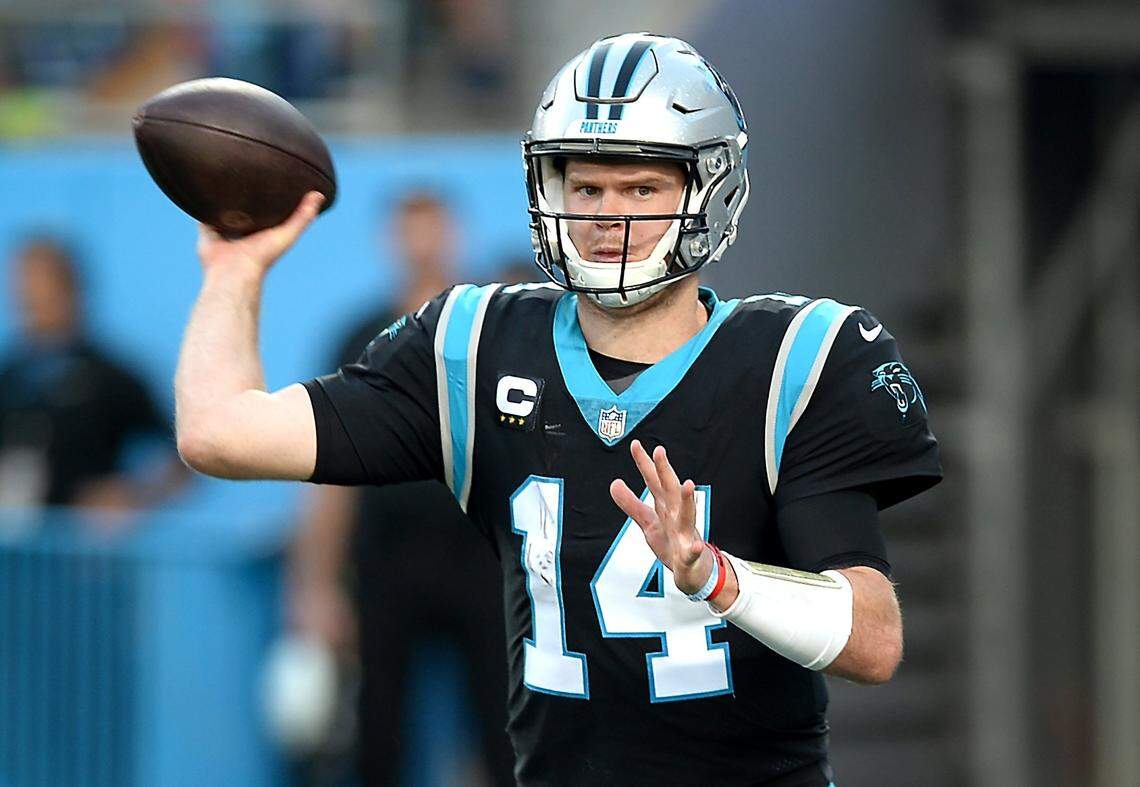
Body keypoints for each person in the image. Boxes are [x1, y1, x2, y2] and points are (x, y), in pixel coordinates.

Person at [174, 33, 942, 786]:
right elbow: (220, 432)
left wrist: (716, 576)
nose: (609, 214)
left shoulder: (794, 361)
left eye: (642, 188)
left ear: (709, 190)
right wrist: (233, 271)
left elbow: (872, 638)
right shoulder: (477, 346)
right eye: (587, 187)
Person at [289, 192, 515, 785]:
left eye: (432, 228)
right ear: (390, 239)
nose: (421, 243)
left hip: (481, 557)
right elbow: (328, 471)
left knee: (503, 724)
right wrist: (314, 585)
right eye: (408, 230)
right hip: (387, 561)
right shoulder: (363, 337)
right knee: (379, 729)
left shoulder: (489, 329)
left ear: (453, 234)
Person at [0, 236, 186, 518]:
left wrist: (135, 496)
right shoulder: (9, 377)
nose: (30, 299)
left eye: (42, 287)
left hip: (88, 556)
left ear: (72, 289)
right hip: (15, 554)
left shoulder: (112, 378)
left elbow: (184, 457)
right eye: (23, 289)